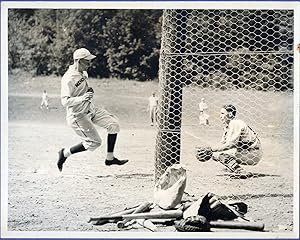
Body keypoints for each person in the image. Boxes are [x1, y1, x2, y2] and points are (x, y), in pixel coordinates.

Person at [57, 48, 128, 172]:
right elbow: (65, 101)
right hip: (78, 116)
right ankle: (64, 153)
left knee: (113, 125)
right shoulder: (68, 78)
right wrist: (83, 97)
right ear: (78, 61)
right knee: (95, 143)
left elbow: (83, 89)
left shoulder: (83, 73)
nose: (89, 64)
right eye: (87, 61)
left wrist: (88, 91)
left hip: (90, 109)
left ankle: (110, 159)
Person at [210, 104, 262, 179]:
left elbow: (230, 145)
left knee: (221, 154)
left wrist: (211, 150)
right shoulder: (228, 127)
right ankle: (233, 167)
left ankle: (241, 171)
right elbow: (222, 143)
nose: (220, 116)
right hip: (246, 151)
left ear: (230, 114)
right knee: (215, 155)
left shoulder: (235, 123)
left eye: (222, 113)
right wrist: (210, 150)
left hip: (253, 152)